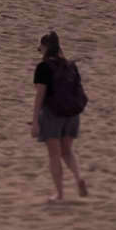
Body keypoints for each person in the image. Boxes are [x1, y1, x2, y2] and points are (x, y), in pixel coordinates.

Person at [31, 31, 88, 202]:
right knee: (67, 151)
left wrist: (35, 121)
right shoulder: (70, 65)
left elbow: (40, 95)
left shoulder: (43, 67)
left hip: (52, 115)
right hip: (72, 114)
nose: (39, 51)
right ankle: (78, 177)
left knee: (54, 155)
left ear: (46, 47)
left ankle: (60, 194)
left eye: (40, 47)